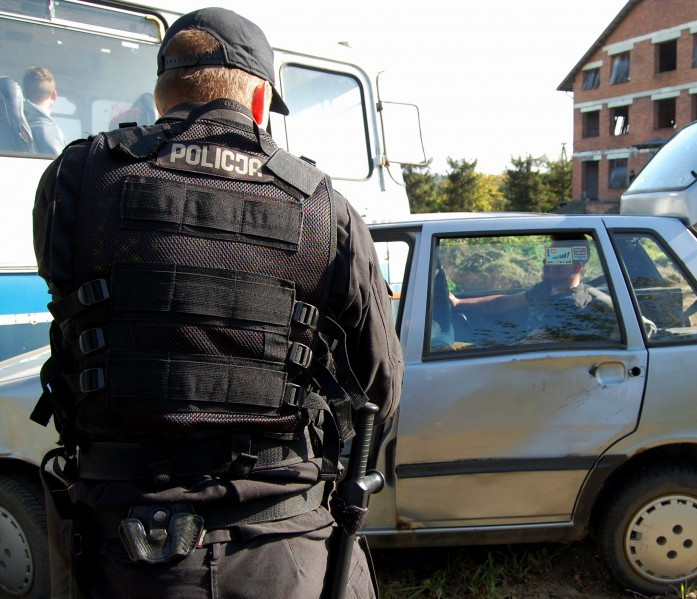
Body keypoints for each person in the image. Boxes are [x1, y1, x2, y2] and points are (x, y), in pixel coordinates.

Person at [31, 8, 402, 599]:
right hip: (282, 547)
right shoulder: (322, 207)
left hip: (116, 546)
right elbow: (380, 385)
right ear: (259, 101)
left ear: (162, 95)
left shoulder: (76, 179)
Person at [449, 236, 621, 343]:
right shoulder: (547, 289)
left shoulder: (568, 306)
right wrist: (458, 303)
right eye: (548, 256)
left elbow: (528, 347)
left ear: (576, 267)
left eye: (556, 258)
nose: (546, 263)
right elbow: (503, 303)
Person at [22, 66, 65, 155]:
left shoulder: (14, 126)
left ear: (24, 93)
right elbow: (59, 163)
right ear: (54, 95)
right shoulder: (49, 131)